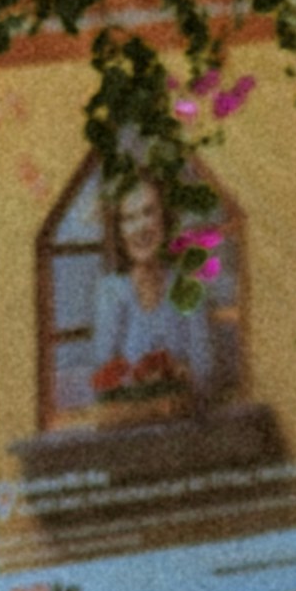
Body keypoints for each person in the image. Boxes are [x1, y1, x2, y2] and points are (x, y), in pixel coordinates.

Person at [86, 171, 218, 411]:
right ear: (119, 231)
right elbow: (101, 381)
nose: (141, 228)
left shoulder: (188, 287)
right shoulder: (111, 292)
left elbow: (204, 376)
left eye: (149, 212)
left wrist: (174, 378)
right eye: (129, 218)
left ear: (165, 220)